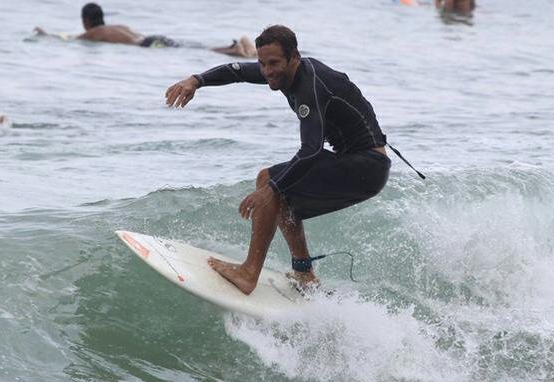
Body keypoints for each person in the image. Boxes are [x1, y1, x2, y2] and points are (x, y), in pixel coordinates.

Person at [165, 25, 394, 295]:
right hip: (359, 163)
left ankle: (249, 272)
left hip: (366, 166)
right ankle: (304, 274)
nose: (267, 71)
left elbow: (310, 150)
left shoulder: (310, 86)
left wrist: (270, 189)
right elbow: (236, 71)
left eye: (274, 63)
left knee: (269, 180)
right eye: (262, 63)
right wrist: (196, 80)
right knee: (283, 193)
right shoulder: (284, 73)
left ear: (294, 57)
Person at [34, 3, 256, 58]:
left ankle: (234, 50)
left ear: (85, 21)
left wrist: (45, 35)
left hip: (148, 44)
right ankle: (232, 48)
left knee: (196, 51)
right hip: (152, 39)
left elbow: (71, 39)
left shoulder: (94, 33)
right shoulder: (117, 27)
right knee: (193, 48)